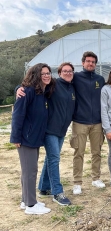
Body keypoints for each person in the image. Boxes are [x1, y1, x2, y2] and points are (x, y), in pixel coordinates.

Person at [10, 63, 54, 215]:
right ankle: (31, 205)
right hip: (26, 139)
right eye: (43, 73)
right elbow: (17, 115)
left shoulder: (42, 93)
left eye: (48, 73)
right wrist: (16, 137)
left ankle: (25, 200)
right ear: (36, 75)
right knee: (30, 172)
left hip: (34, 138)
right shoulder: (27, 92)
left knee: (28, 170)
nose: (47, 75)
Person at [37, 63, 76, 205]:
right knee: (54, 159)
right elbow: (33, 88)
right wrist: (19, 89)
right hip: (50, 129)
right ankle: (57, 193)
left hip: (62, 130)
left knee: (50, 158)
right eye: (64, 71)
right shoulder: (53, 84)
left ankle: (43, 187)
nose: (68, 73)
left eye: (70, 71)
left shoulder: (72, 87)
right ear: (59, 73)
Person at [70, 51, 106, 195]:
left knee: (96, 152)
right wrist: (19, 89)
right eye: (88, 61)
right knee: (79, 152)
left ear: (95, 64)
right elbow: (59, 83)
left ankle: (95, 178)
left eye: (93, 62)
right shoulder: (76, 77)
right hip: (80, 122)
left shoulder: (100, 79)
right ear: (83, 62)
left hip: (97, 122)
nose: (90, 63)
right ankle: (77, 182)